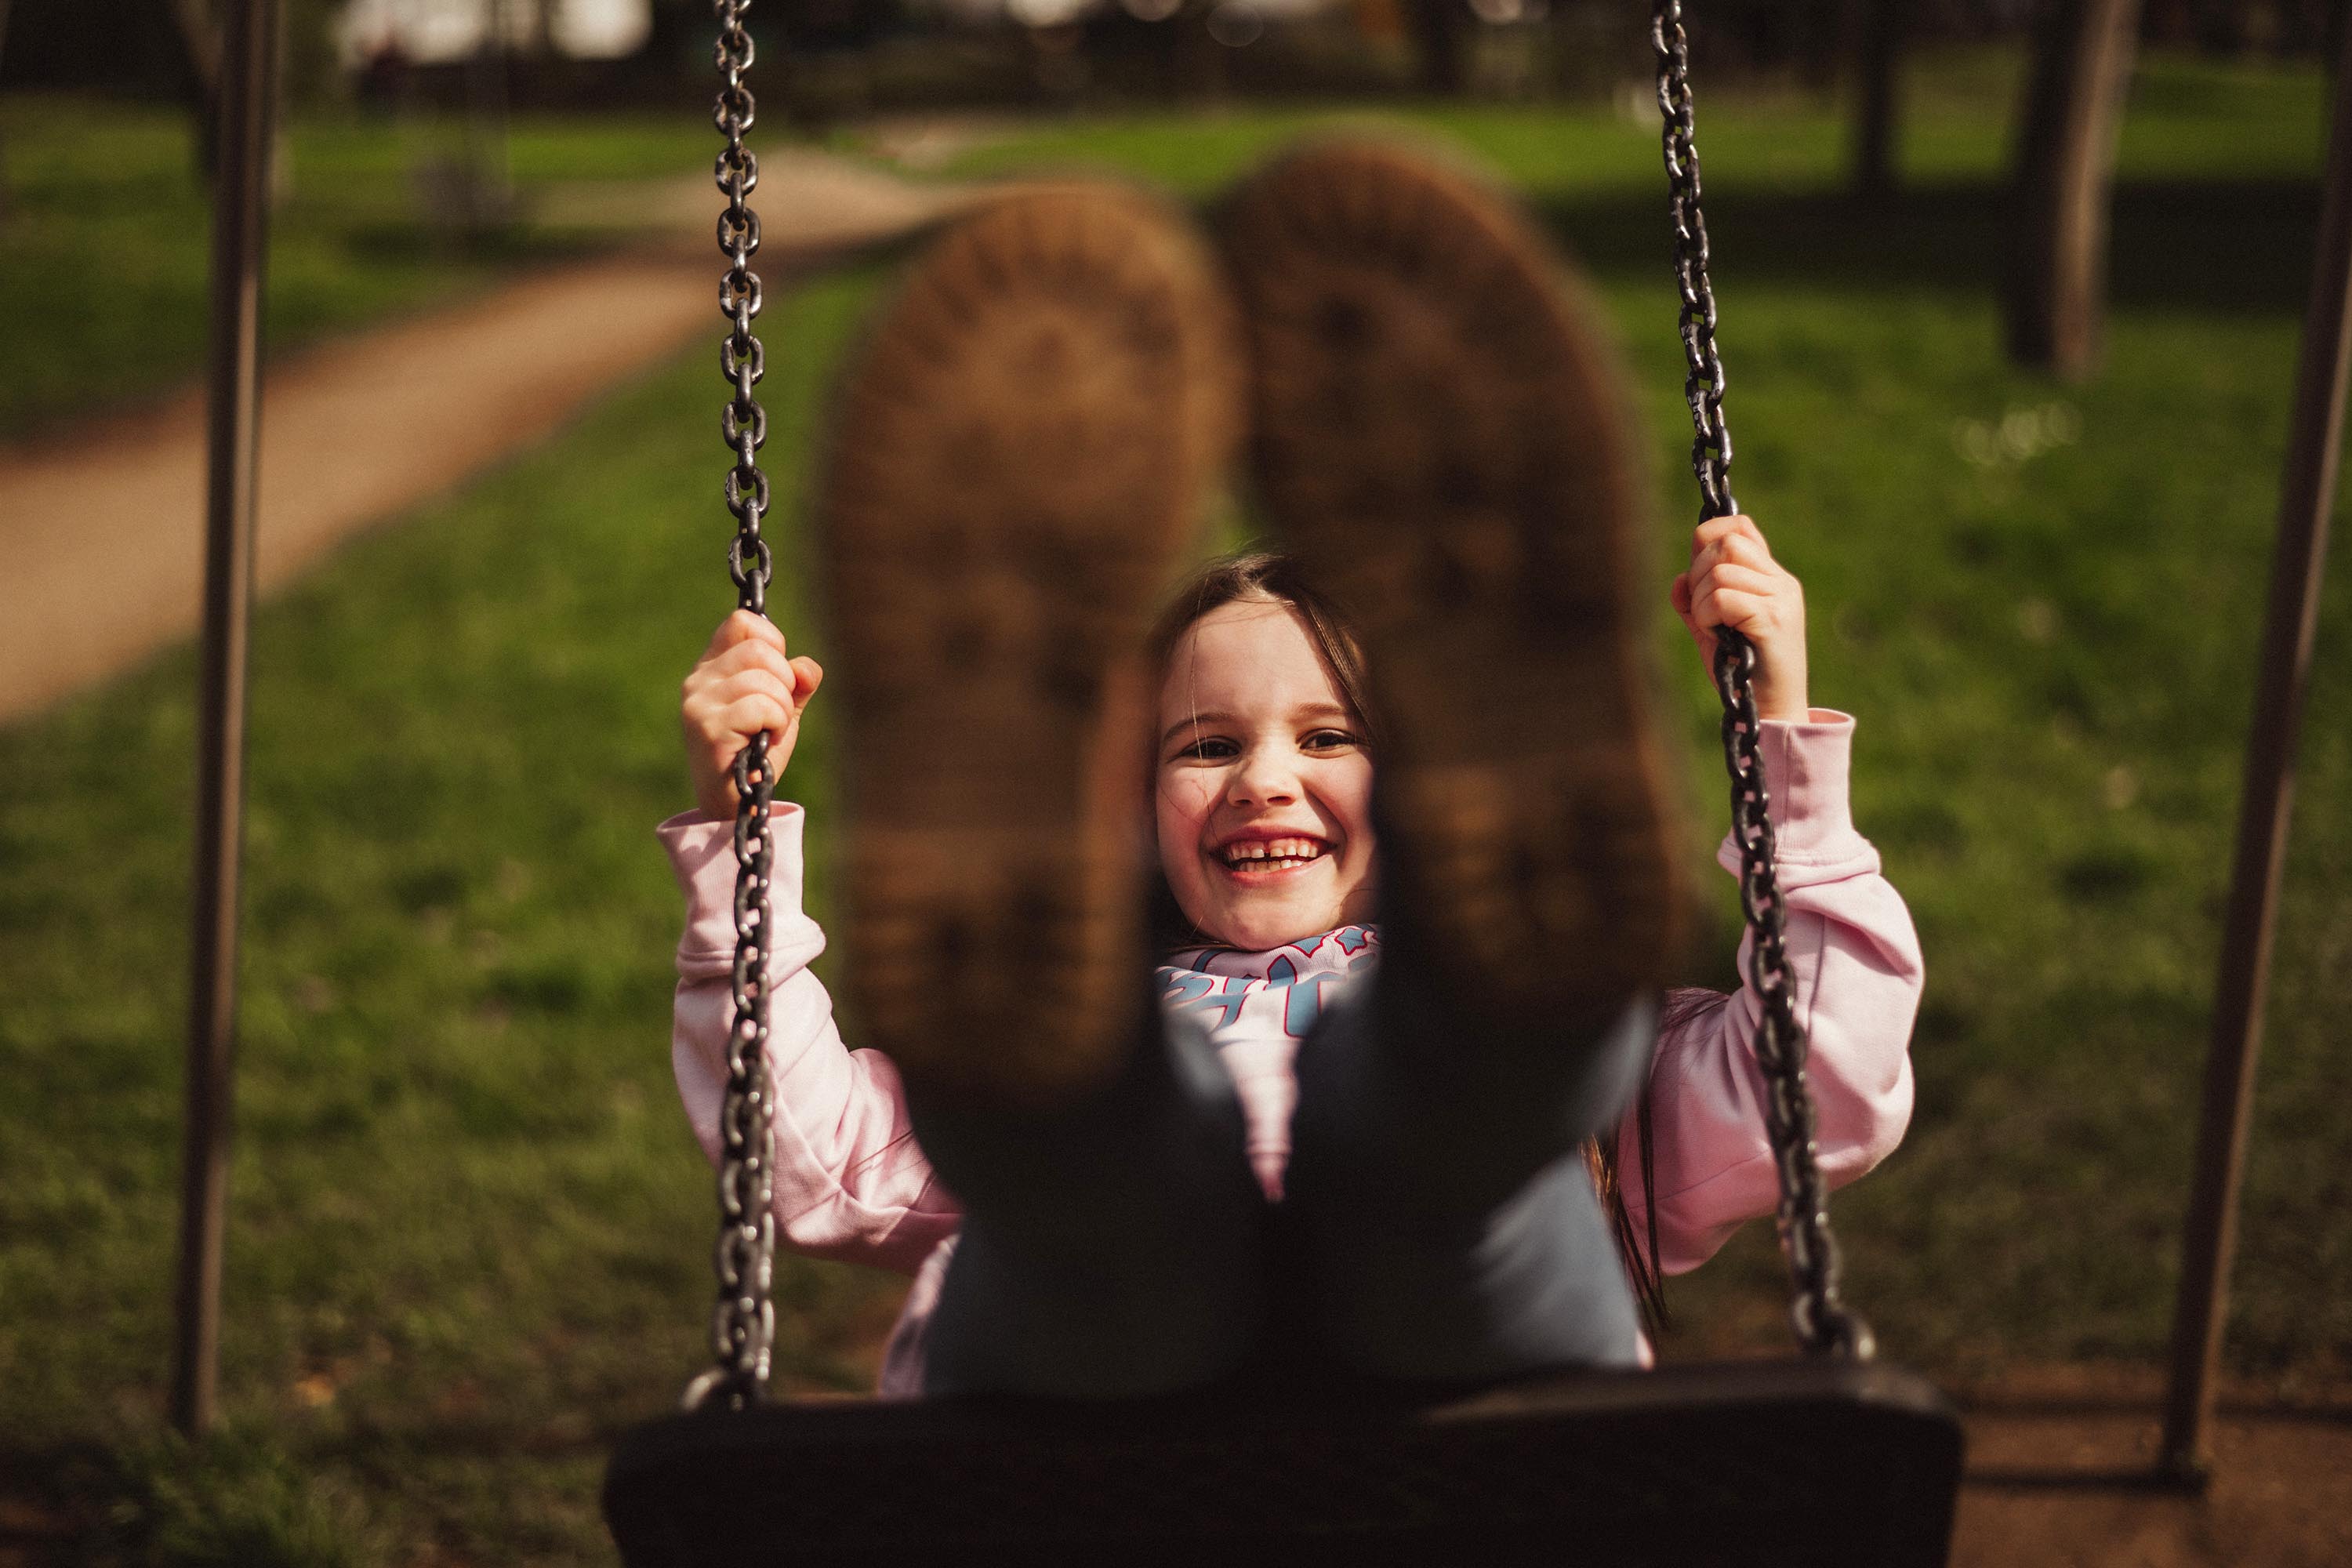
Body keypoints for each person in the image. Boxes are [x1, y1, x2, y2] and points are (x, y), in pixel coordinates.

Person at [660, 143, 1922, 1400]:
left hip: (1391, 1397)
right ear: (1124, 806)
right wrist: (741, 836)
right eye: (1206, 746)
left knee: (1449, 1154)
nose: (1265, 779)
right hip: (1160, 1413)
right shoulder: (1068, 985)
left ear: (1437, 790)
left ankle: (1505, 1026)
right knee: (1093, 1158)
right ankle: (1079, 1101)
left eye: (1331, 737)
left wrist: (1781, 738)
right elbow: (803, 1157)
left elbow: (1815, 1086)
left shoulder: (1619, 1118)